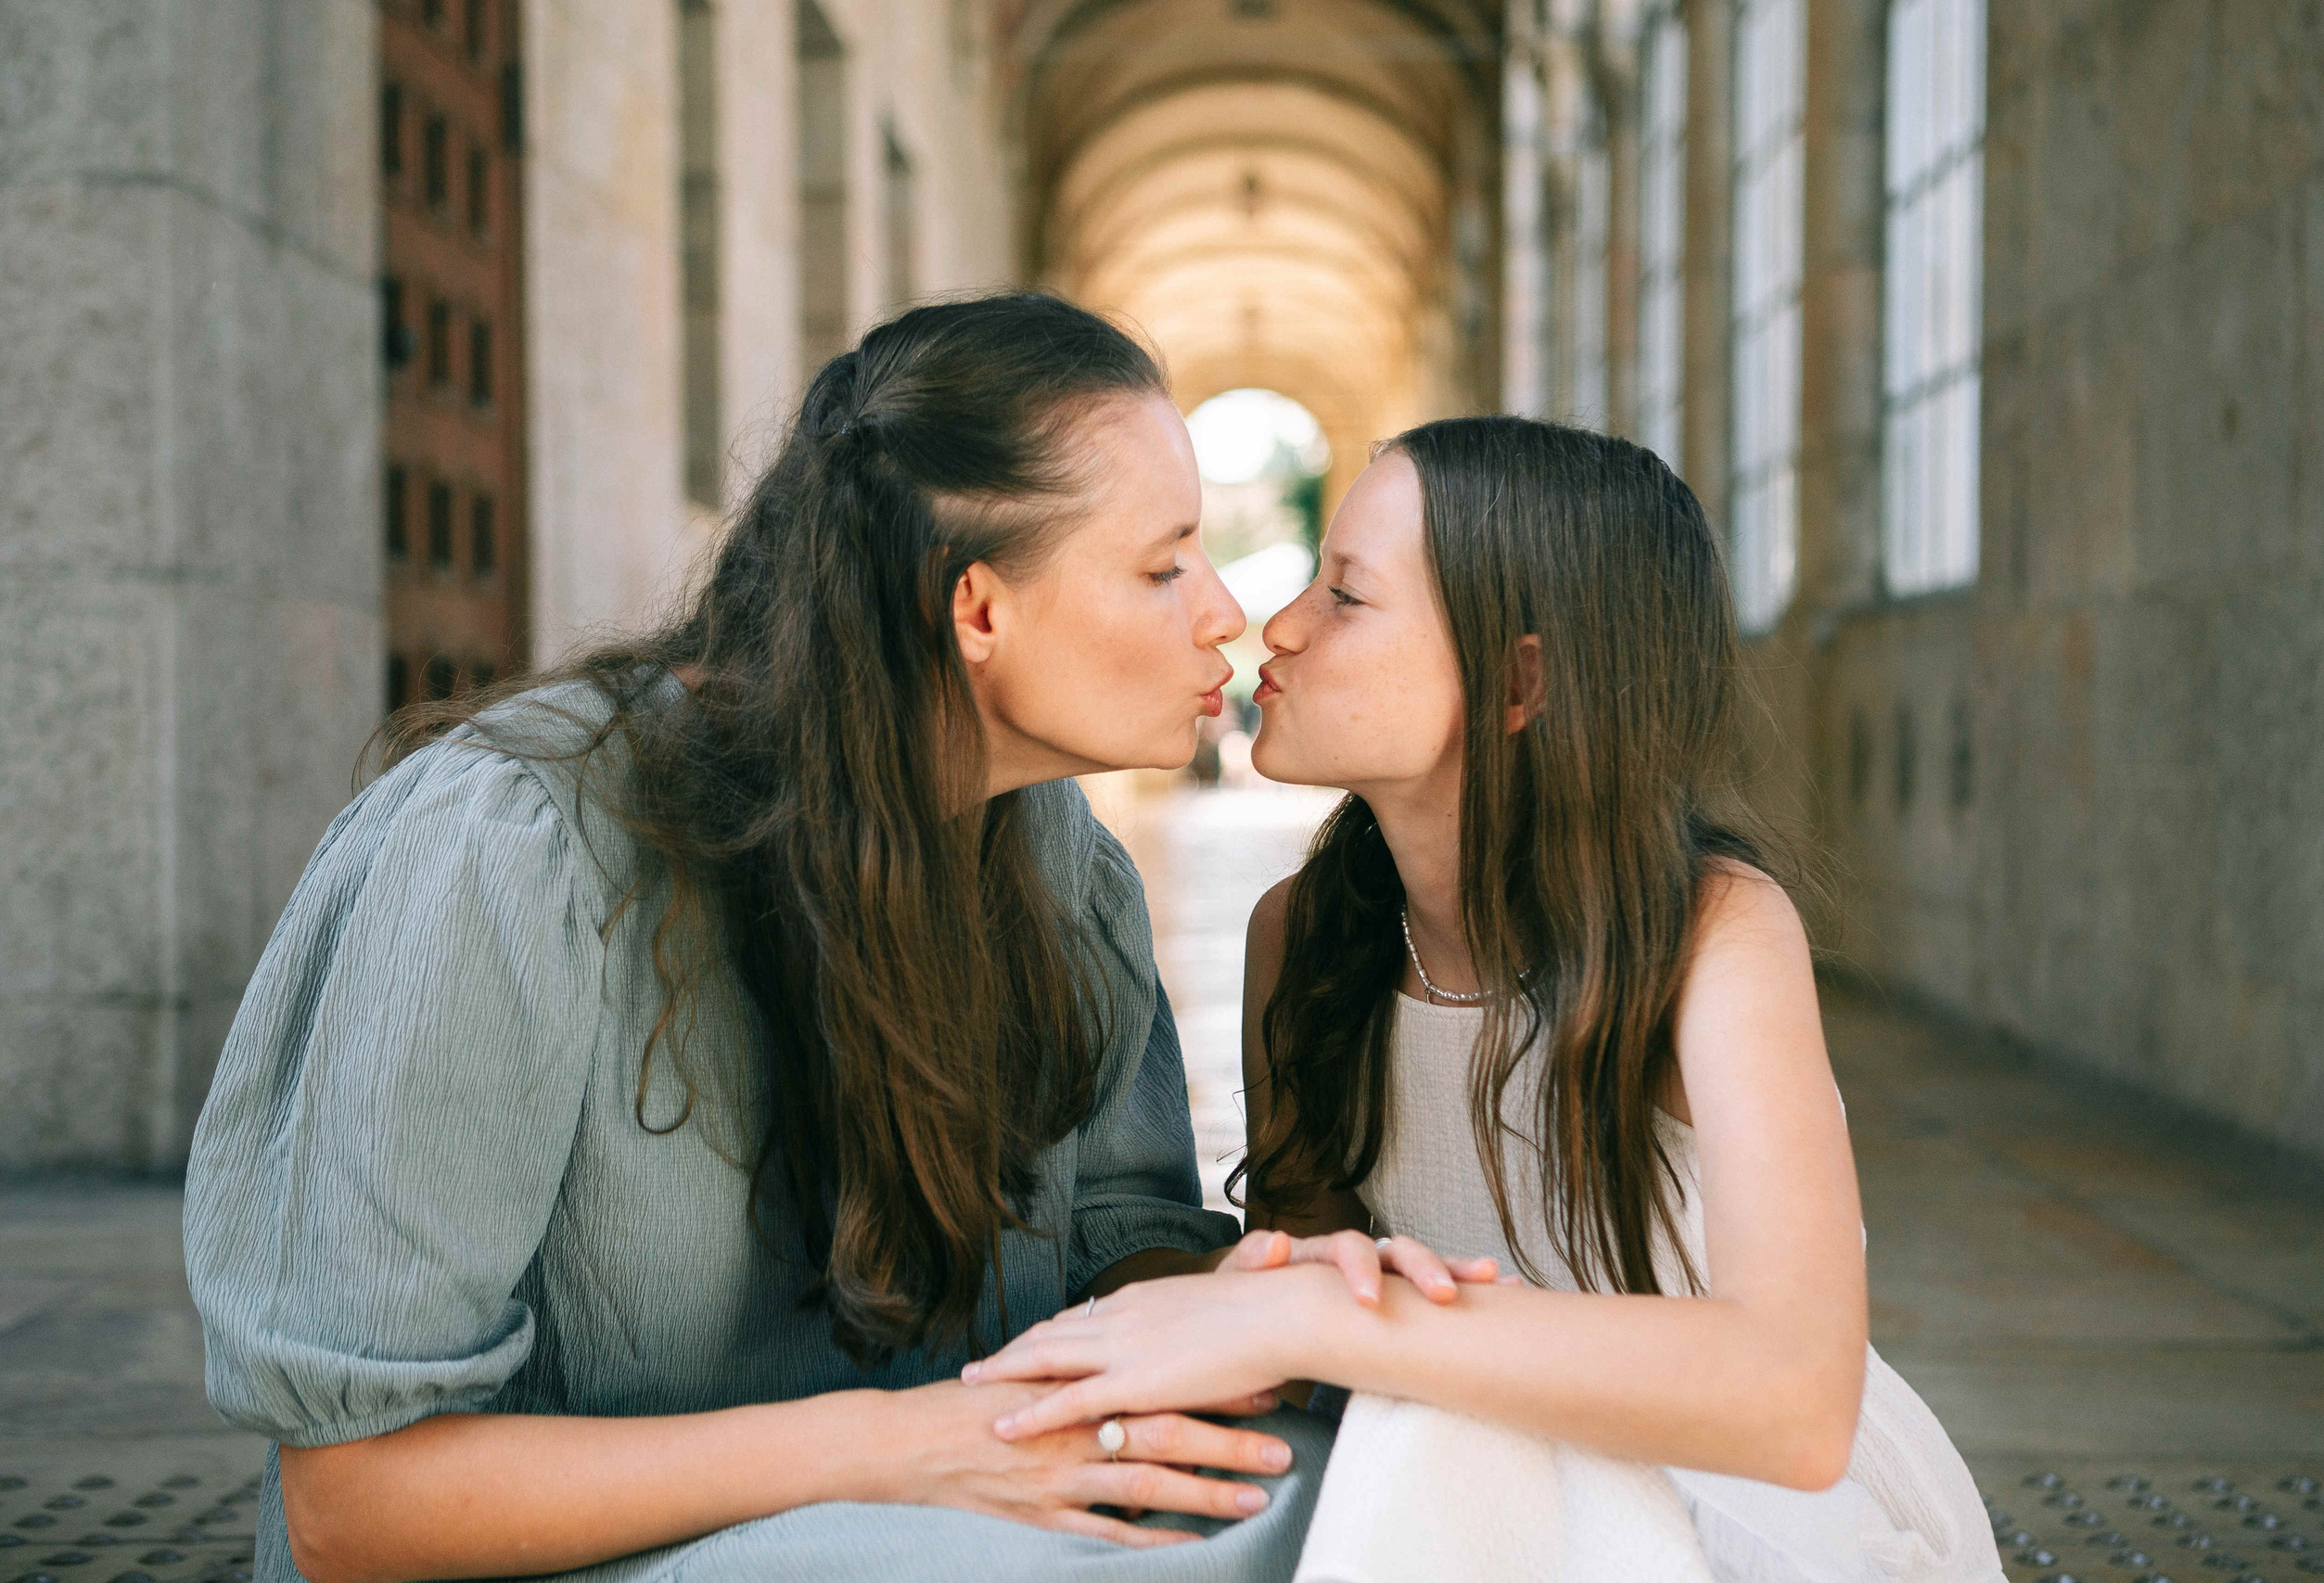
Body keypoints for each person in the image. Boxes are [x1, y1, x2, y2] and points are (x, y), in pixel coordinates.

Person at [183, 294, 1439, 1583]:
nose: (1229, 613)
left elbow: (1117, 1238)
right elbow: (352, 1503)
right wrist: (895, 1444)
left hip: (926, 1502)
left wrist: (1266, 1306)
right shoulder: (506, 851)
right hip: (565, 1552)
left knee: (1386, 1502)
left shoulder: (1058, 856)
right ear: (979, 609)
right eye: (1164, 564)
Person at [966, 416, 2008, 1582]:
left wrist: (1323, 1323)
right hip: (1461, 1475)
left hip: (1761, 1507)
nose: (1284, 628)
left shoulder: (1713, 930)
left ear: (1521, 680)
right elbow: (1303, 1297)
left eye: (1347, 597)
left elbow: (1798, 1400)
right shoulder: (1301, 938)